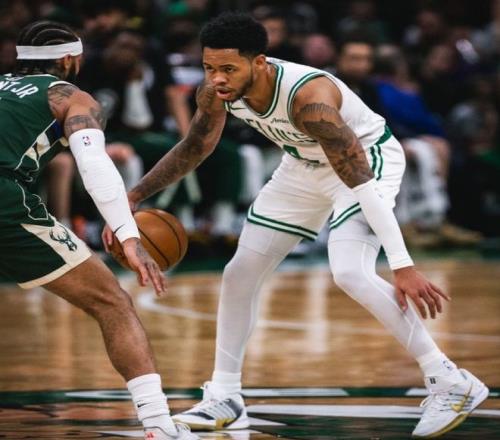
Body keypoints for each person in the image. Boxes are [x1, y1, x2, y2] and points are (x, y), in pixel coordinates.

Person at [113, 13, 488, 438]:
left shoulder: (310, 99)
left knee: (350, 272)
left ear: (259, 62)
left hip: (366, 164)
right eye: (209, 67)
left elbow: (360, 181)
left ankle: (449, 379)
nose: (216, 78)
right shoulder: (216, 90)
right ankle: (225, 397)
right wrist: (134, 195)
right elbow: (195, 145)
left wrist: (402, 264)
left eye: (228, 68)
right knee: (239, 273)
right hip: (302, 165)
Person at [0, 21, 197, 440]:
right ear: (69, 59)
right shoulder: (73, 97)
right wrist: (127, 234)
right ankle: (159, 425)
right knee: (113, 303)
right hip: (5, 202)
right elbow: (93, 165)